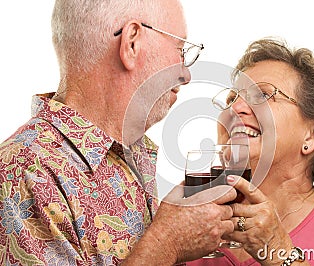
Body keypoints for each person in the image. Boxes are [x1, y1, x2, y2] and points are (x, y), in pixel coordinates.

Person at [0, 0, 237, 265]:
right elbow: (163, 245)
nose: (186, 74)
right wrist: (167, 242)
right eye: (180, 50)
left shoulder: (129, 155)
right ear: (132, 43)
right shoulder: (24, 171)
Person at [186, 38, 314, 265]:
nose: (235, 108)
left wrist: (277, 251)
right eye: (231, 98)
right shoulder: (187, 229)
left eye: (263, 95)